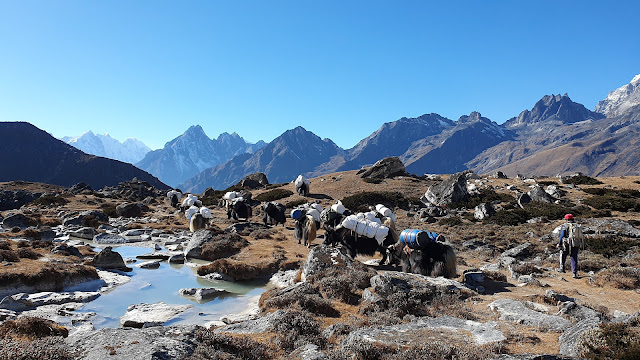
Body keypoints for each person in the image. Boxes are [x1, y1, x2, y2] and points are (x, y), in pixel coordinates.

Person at [557, 214, 584, 278]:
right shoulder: (577, 225)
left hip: (567, 243)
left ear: (567, 219)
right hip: (576, 243)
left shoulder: (565, 225)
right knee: (574, 258)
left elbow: (562, 235)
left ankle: (562, 268)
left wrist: (559, 243)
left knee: (562, 255)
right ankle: (574, 273)